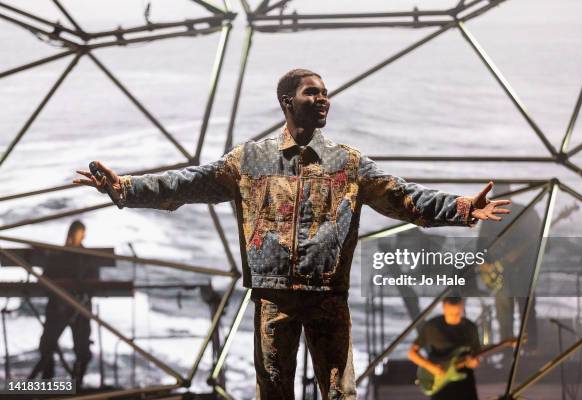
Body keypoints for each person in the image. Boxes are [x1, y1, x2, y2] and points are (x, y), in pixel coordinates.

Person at [73, 68, 511, 400]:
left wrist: (461, 208)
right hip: (273, 300)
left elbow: (404, 198)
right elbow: (186, 184)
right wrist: (124, 188)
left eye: (325, 93)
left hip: (327, 298)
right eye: (312, 93)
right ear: (287, 101)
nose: (323, 99)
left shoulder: (348, 163)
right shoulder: (249, 160)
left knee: (341, 394)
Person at [29, 220, 95, 390]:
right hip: (70, 307)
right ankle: (50, 384)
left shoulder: (64, 256)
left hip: (74, 307)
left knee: (79, 349)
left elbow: (46, 277)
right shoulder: (75, 256)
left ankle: (74, 384)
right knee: (48, 346)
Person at [477, 184, 541, 356]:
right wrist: (484, 265)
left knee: (526, 312)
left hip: (524, 273)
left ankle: (529, 350)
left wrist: (522, 254)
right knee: (504, 315)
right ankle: (507, 352)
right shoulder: (490, 215)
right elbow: (481, 246)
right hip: (500, 275)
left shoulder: (527, 214)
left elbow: (542, 242)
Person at [407, 296, 481, 400]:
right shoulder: (432, 327)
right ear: (444, 308)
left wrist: (474, 363)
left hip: (464, 380)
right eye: (451, 314)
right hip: (440, 380)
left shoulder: (470, 327)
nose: (455, 317)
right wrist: (431, 367)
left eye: (458, 313)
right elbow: (411, 353)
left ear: (462, 307)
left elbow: (477, 354)